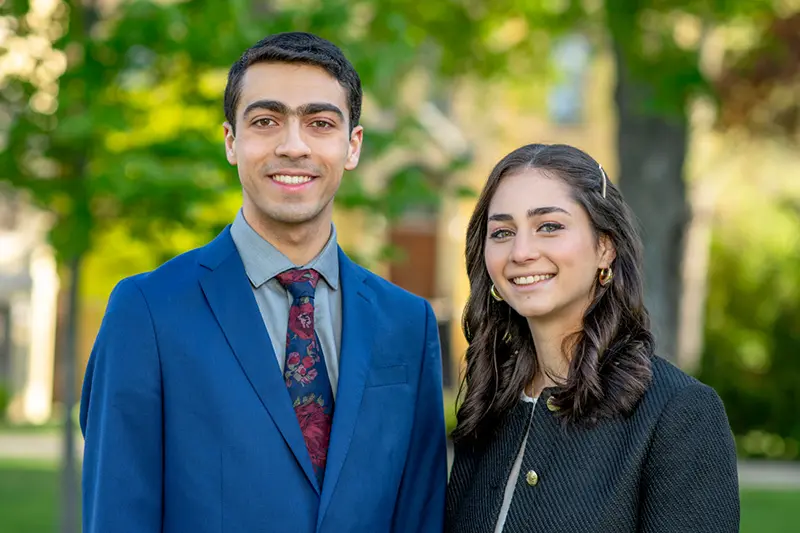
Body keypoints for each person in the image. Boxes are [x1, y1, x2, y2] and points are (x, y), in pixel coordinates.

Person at [80, 32, 447, 533]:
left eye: (320, 123)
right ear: (232, 141)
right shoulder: (146, 312)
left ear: (352, 146)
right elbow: (118, 515)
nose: (293, 146)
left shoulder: (408, 322)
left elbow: (419, 515)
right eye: (266, 121)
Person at [445, 143, 739, 533]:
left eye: (549, 226)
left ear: (605, 246)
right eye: (502, 232)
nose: (521, 251)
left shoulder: (678, 414)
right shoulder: (489, 409)